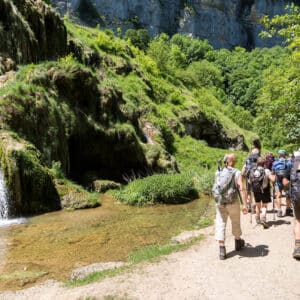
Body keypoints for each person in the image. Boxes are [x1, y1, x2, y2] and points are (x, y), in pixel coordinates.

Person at [214, 153, 248, 260]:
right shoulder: (236, 172)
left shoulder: (218, 172)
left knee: (220, 223)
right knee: (235, 221)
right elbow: (241, 188)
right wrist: (245, 204)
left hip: (220, 202)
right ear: (232, 162)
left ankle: (222, 250)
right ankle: (238, 241)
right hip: (233, 202)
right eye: (235, 160)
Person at [283, 149, 300, 259]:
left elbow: (284, 181)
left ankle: (298, 247)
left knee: (298, 221)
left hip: (297, 196)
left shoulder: (291, 163)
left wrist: (290, 188)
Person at [249, 157, 275, 229]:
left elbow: (249, 181)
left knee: (257, 205)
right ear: (264, 163)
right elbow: (272, 179)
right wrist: (273, 176)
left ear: (257, 163)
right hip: (265, 190)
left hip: (255, 190)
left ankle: (257, 219)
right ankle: (263, 217)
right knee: (264, 205)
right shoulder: (266, 170)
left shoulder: (253, 170)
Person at [272, 149, 292, 217]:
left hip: (278, 181)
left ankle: (279, 211)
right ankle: (288, 209)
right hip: (286, 180)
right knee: (288, 195)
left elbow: (272, 173)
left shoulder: (275, 163)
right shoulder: (289, 162)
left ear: (279, 155)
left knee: (278, 195)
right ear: (284, 155)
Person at [242, 148, 260, 212]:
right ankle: (254, 206)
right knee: (255, 192)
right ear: (257, 153)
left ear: (252, 152)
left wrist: (242, 175)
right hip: (256, 178)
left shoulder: (248, 159)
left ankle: (249, 206)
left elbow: (244, 168)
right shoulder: (259, 158)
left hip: (248, 177)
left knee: (249, 192)